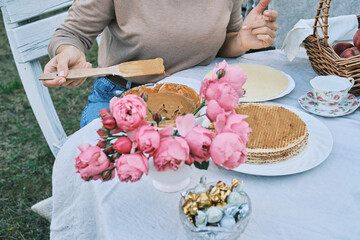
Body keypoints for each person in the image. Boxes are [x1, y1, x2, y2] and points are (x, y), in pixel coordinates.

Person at [43, 0, 278, 127]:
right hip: (124, 97)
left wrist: (241, 41)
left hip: (199, 100)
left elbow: (226, 40)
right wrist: (68, 52)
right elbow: (72, 33)